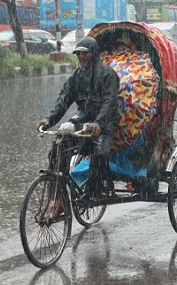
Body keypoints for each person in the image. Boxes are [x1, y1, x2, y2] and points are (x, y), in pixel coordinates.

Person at [36, 36, 120, 197]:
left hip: (103, 125)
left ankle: (94, 191)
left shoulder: (107, 74)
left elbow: (109, 103)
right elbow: (63, 99)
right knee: (59, 148)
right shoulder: (77, 76)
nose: (81, 57)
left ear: (93, 53)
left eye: (85, 53)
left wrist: (99, 123)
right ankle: (57, 190)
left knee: (99, 152)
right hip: (82, 122)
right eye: (79, 54)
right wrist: (48, 119)